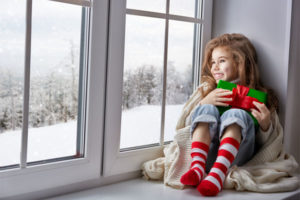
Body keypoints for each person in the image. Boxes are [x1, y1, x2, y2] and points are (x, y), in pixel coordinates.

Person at [179, 33, 279, 196]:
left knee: (237, 114)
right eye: (212, 62)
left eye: (222, 61)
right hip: (206, 155)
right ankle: (196, 168)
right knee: (206, 110)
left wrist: (265, 125)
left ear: (240, 63)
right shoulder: (206, 90)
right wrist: (204, 102)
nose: (214, 67)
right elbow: (185, 125)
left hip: (235, 159)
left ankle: (218, 173)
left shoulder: (258, 96)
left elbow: (267, 145)